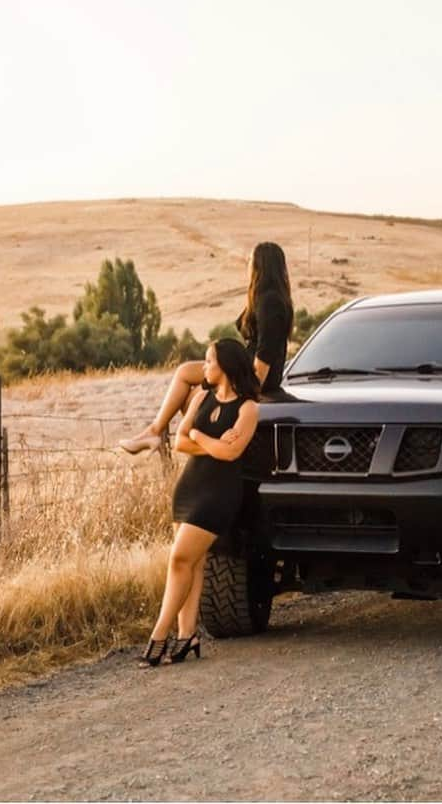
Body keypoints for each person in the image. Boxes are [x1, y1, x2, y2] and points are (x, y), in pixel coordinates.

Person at [138, 337, 260, 667]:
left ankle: (158, 636)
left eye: (209, 361)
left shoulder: (248, 408)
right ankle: (187, 635)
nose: (204, 367)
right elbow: (179, 442)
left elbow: (232, 452)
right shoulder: (201, 396)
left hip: (219, 496)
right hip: (189, 488)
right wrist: (208, 441)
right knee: (194, 563)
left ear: (226, 366)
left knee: (179, 559)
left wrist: (198, 436)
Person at [119, 241, 293, 455]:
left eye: (250, 261)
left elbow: (266, 351)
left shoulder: (270, 302)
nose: (247, 265)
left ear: (261, 265)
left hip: (255, 374)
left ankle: (172, 436)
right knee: (185, 376)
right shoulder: (264, 298)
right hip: (246, 366)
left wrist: (249, 388)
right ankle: (156, 432)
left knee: (194, 395)